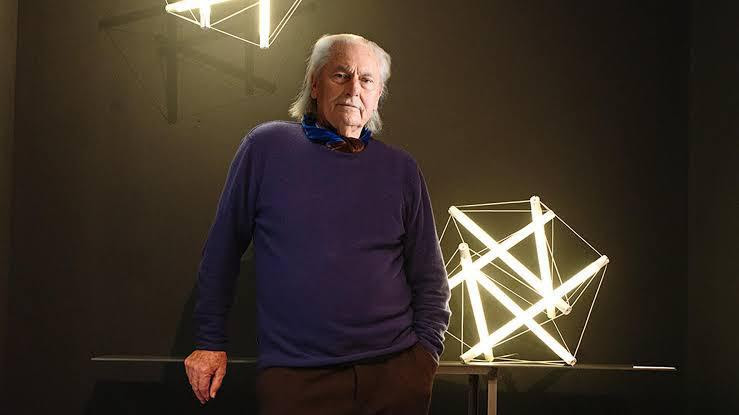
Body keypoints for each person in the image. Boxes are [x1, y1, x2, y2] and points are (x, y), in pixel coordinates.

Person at [184, 33, 451, 415]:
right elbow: (221, 252)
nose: (354, 89)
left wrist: (423, 359)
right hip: (297, 379)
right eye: (341, 75)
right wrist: (209, 341)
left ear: (378, 94)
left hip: (395, 375)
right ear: (315, 84)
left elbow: (430, 279)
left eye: (366, 80)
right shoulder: (266, 148)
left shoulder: (401, 169)